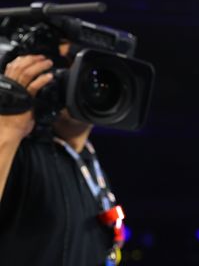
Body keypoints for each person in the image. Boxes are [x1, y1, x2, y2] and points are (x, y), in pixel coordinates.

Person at [0, 46, 125, 266]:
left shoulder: (87, 160)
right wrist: (9, 125)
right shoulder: (21, 150)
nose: (84, 83)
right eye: (68, 68)